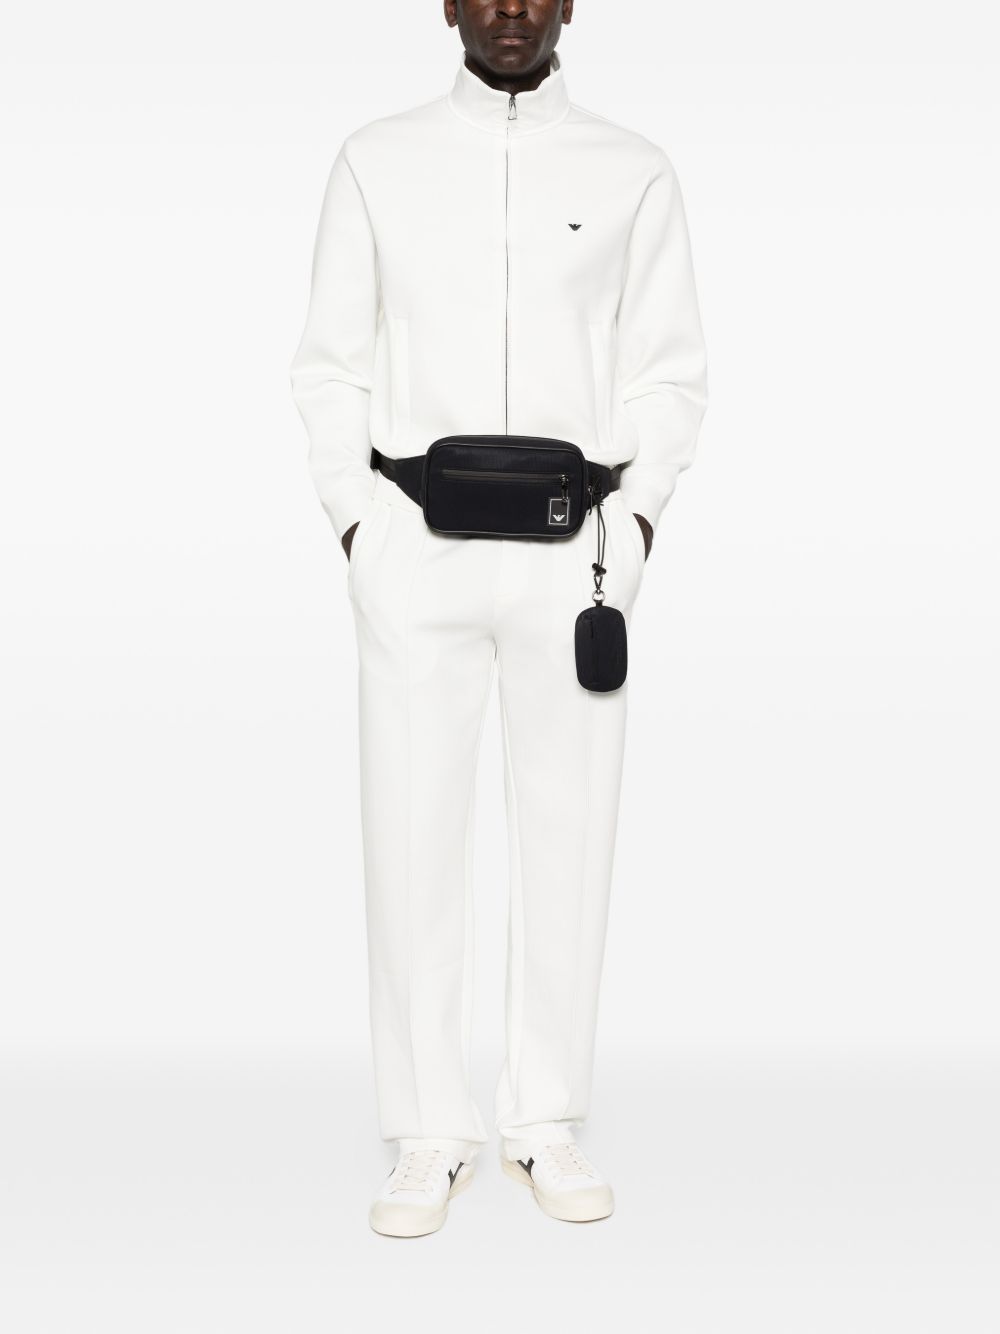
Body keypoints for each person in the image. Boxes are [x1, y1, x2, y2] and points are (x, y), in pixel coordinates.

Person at [290, 0, 708, 1238]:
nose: (511, 9)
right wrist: (359, 529)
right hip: (415, 550)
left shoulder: (632, 170)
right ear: (447, 3)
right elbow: (328, 366)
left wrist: (633, 534)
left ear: (571, 2)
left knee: (569, 833)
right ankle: (429, 1129)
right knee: (409, 831)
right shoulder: (376, 159)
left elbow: (670, 373)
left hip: (574, 561)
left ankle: (543, 1119)